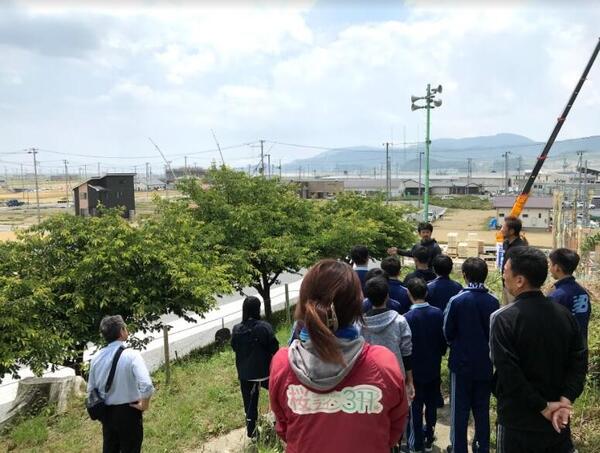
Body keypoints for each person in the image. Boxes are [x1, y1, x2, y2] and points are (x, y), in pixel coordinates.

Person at [269, 259, 409, 453]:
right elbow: (394, 427)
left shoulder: (283, 364)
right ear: (357, 306)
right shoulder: (382, 363)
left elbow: (283, 427)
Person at [491, 246, 587, 452]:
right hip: (557, 422)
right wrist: (565, 400)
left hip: (518, 423)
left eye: (505, 270)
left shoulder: (504, 319)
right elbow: (579, 361)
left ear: (520, 280)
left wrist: (543, 407)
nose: (503, 275)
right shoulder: (565, 315)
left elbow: (509, 373)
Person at [443, 258, 499, 453]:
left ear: (465, 275)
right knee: (482, 409)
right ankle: (482, 447)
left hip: (461, 364)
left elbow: (447, 331)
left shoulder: (457, 300)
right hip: (485, 364)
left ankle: (459, 448)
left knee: (460, 410)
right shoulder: (493, 301)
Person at [87, 315, 155, 453]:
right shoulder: (131, 355)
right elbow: (147, 385)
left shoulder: (96, 358)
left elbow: (91, 390)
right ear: (122, 331)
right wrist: (144, 405)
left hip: (106, 413)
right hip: (129, 412)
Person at [404, 278, 446, 453]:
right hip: (433, 366)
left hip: (414, 370)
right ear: (426, 292)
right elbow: (443, 340)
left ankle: (416, 444)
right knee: (431, 404)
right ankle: (429, 437)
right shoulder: (438, 313)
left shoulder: (406, 318)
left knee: (415, 406)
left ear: (408, 294)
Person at [231, 296, 280, 438]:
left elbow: (234, 347)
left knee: (249, 403)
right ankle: (279, 422)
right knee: (277, 395)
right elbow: (274, 348)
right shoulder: (264, 327)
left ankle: (252, 432)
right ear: (258, 309)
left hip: (246, 374)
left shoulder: (236, 329)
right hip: (266, 372)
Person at [361, 276, 414, 400]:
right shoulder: (400, 321)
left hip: (369, 379)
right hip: (395, 376)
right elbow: (406, 353)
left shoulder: (359, 324)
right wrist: (410, 381)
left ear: (368, 298)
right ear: (387, 296)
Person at [548, 248, 592, 347]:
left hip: (563, 350)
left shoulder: (557, 296)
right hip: (581, 348)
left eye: (550, 264)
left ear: (557, 268)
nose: (549, 268)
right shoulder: (582, 292)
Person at [500, 216, 527, 303]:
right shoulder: (507, 244)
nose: (501, 230)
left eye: (503, 227)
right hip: (506, 285)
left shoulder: (519, 248)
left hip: (515, 288)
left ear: (511, 231)